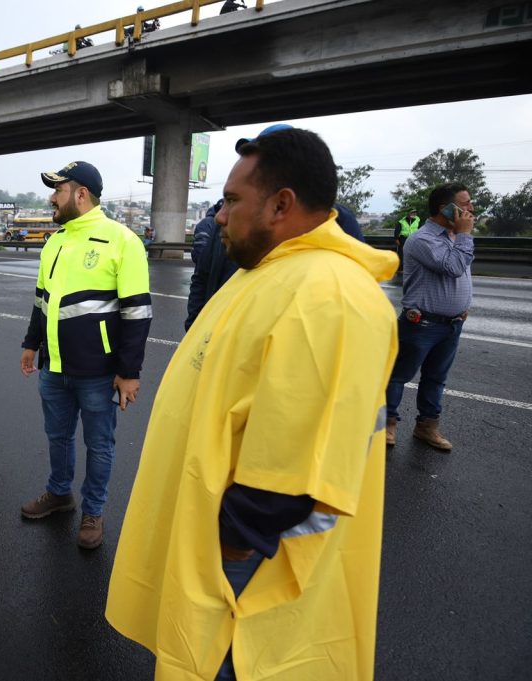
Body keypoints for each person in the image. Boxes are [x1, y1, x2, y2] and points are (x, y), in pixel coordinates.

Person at [106, 127, 398, 681]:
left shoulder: (327, 296)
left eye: (233, 201)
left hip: (249, 560)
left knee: (229, 661)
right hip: (220, 539)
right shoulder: (274, 272)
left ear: (281, 205)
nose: (218, 215)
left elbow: (296, 465)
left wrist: (230, 548)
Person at [20, 161, 152, 550]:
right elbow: (41, 301)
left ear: (80, 194)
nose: (51, 197)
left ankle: (93, 511)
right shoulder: (55, 241)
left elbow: (137, 313)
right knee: (57, 436)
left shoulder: (122, 240)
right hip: (54, 367)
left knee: (100, 444)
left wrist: (129, 372)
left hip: (98, 371)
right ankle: (60, 493)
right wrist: (31, 344)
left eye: (58, 190)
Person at [184, 123, 366, 331]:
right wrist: (195, 328)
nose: (221, 217)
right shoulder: (228, 221)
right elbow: (202, 277)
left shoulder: (333, 222)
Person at [385, 183, 475, 452]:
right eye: (466, 204)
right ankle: (387, 424)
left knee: (436, 378)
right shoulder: (422, 239)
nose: (471, 209)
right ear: (445, 208)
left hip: (452, 324)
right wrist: (465, 236)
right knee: (399, 376)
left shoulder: (455, 237)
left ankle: (427, 427)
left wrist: (462, 305)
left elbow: (464, 274)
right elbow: (454, 267)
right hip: (421, 323)